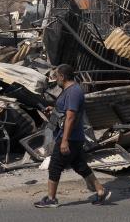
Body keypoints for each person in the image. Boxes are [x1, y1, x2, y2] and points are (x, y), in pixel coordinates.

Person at [34, 64, 110, 208]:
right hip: (72, 137)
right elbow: (64, 111)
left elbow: (70, 117)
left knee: (55, 166)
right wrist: (54, 109)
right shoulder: (68, 90)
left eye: (56, 76)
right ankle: (100, 191)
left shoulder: (74, 92)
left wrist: (64, 141)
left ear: (62, 77)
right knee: (80, 165)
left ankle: (51, 199)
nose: (55, 80)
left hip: (70, 137)